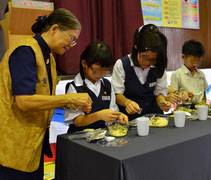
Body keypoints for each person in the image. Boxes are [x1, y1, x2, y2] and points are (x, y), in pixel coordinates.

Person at [0, 8, 92, 180]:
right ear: (55, 29)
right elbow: (24, 101)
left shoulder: (47, 57)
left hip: (35, 142)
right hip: (15, 143)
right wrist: (68, 97)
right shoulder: (25, 52)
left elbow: (43, 98)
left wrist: (67, 103)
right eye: (71, 39)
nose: (71, 46)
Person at [65, 41, 128, 133]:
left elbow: (112, 109)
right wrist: (99, 115)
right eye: (96, 70)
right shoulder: (75, 87)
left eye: (104, 71)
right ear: (84, 63)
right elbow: (77, 121)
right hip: (80, 137)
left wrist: (118, 116)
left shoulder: (106, 85)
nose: (100, 74)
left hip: (102, 135)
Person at [111, 24, 171, 120]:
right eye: (145, 58)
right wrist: (127, 103)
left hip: (154, 118)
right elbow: (117, 94)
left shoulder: (158, 65)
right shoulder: (122, 64)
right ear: (136, 48)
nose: (148, 63)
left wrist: (162, 102)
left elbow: (159, 93)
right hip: (129, 119)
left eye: (153, 60)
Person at [170, 39, 209, 107]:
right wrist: (183, 96)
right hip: (184, 108)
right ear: (183, 57)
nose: (195, 65)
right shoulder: (177, 74)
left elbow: (203, 94)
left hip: (200, 107)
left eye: (198, 62)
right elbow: (172, 95)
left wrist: (204, 105)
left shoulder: (201, 74)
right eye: (193, 62)